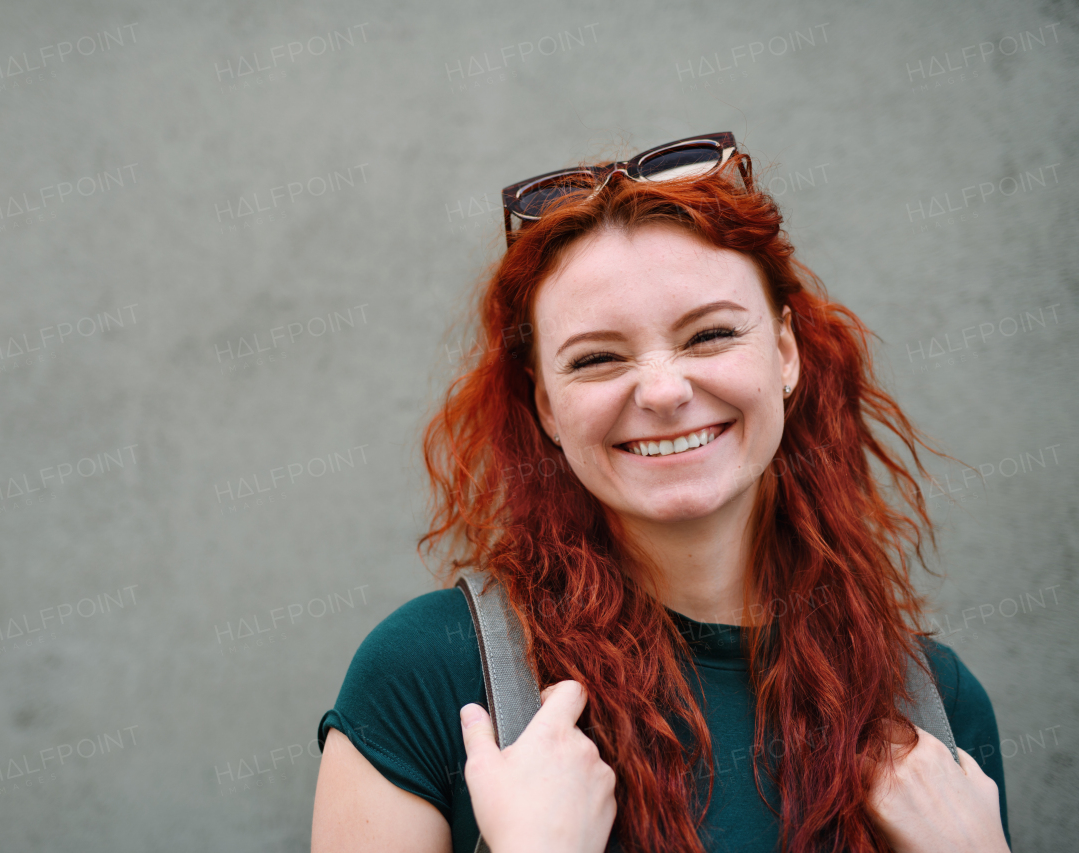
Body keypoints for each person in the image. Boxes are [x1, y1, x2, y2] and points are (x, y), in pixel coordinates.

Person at [310, 132, 1012, 853]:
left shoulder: (936, 711)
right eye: (596, 357)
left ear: (786, 352)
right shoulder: (429, 675)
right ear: (547, 406)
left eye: (709, 334)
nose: (664, 390)